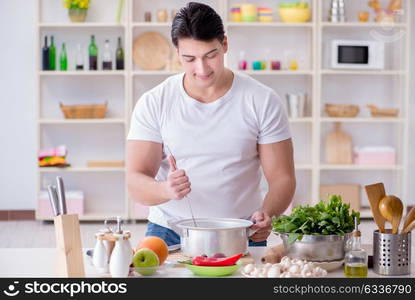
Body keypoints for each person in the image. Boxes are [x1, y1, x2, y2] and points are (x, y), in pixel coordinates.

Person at [127, 2, 295, 247]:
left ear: (224, 44)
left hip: (242, 230)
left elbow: (282, 178)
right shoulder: (155, 102)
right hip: (170, 230)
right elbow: (135, 180)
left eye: (211, 55)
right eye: (189, 58)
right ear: (177, 54)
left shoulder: (262, 99)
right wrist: (165, 189)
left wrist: (268, 213)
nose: (202, 69)